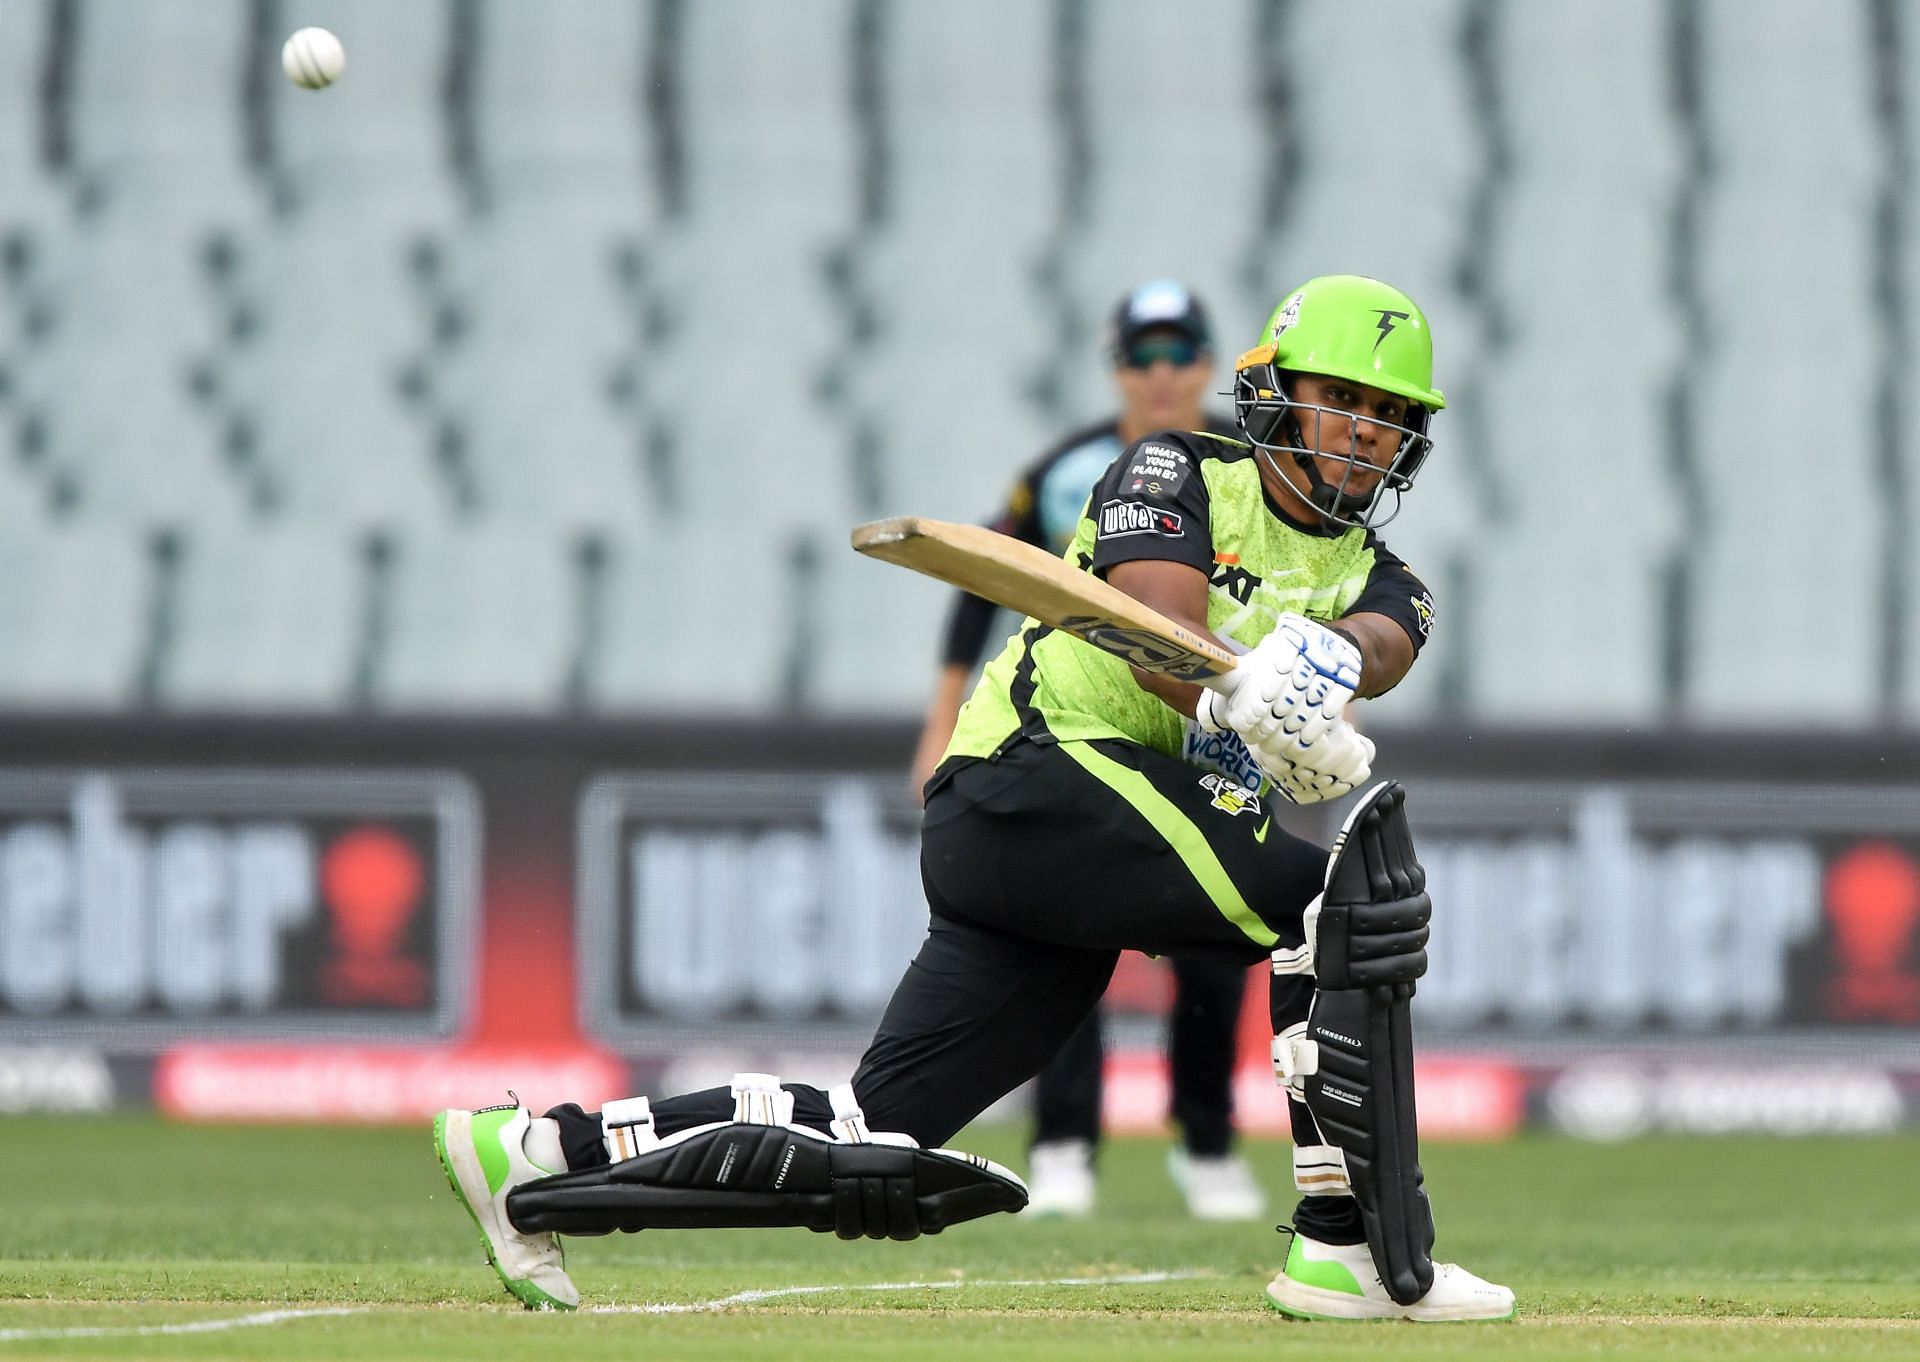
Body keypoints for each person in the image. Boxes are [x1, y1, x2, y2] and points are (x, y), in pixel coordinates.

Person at [433, 275, 1515, 1323]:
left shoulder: (1388, 576)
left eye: (1390, 414)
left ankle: (534, 1154)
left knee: (870, 1131)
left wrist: (1318, 672)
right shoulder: (1174, 466)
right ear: (1277, 392)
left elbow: (1385, 645)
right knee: (1339, 904)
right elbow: (1153, 629)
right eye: (1344, 399)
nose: (1367, 430)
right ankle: (1348, 1246)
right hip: (1038, 772)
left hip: (1064, 848)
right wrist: (1244, 688)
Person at [911, 279, 1265, 1221]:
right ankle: (1065, 1144)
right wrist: (941, 719)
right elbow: (980, 581)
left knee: (1216, 944)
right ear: (1116, 369)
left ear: (1206, 363)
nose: (1160, 376)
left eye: (1179, 355)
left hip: (1207, 727)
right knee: (1072, 928)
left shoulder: (1246, 463)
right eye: (1139, 358)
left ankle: (1209, 1144)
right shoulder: (1066, 470)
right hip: (1084, 726)